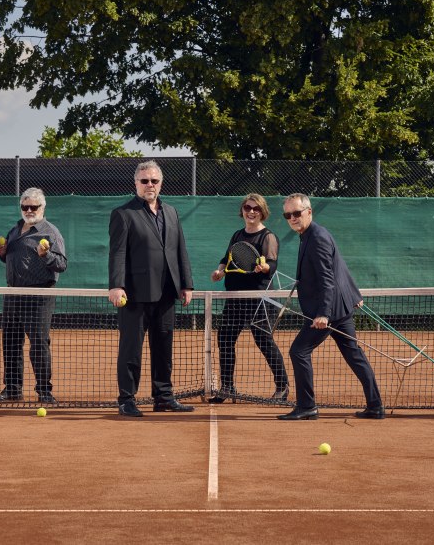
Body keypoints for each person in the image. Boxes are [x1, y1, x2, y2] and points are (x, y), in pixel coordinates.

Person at [277, 193, 384, 420]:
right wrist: (353, 294)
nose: (293, 218)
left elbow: (327, 278)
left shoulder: (316, 237)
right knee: (354, 354)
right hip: (340, 306)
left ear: (309, 212)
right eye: (288, 215)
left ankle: (307, 407)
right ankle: (375, 406)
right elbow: (339, 266)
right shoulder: (311, 234)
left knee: (299, 351)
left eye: (297, 213)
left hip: (329, 310)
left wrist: (324, 314)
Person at [108, 160, 195, 417]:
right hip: (134, 295)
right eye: (144, 181)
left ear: (160, 183)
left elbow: (180, 249)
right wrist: (116, 285)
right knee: (131, 350)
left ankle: (164, 397)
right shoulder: (123, 214)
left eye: (154, 181)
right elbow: (117, 253)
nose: (149, 185)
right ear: (136, 183)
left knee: (163, 348)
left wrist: (186, 284)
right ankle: (126, 399)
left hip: (167, 293)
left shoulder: (171, 212)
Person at [0, 188, 67, 405]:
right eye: (25, 207)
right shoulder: (15, 230)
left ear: (43, 207)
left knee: (39, 343)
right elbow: (12, 260)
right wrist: (3, 253)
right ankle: (12, 389)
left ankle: (44, 391)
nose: (30, 210)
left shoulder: (50, 232)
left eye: (34, 207)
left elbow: (61, 265)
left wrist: (46, 255)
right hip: (13, 292)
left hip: (39, 294)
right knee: (11, 342)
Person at [209, 193, 290, 403]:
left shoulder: (268, 237)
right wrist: (220, 272)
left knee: (264, 341)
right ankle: (227, 388)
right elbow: (226, 258)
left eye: (255, 208)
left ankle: (282, 387)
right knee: (225, 340)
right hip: (235, 298)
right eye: (247, 208)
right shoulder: (237, 235)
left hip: (258, 299)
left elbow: (272, 263)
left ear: (262, 212)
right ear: (242, 211)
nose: (251, 212)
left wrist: (265, 268)